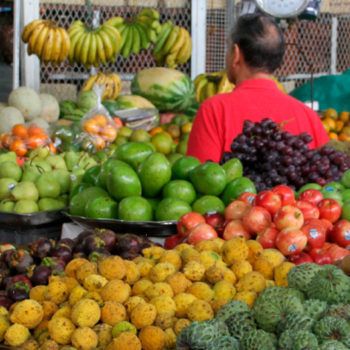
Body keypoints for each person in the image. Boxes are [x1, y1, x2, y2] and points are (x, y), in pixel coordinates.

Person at [186, 13, 329, 163]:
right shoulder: (310, 117)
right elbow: (328, 181)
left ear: (236, 54)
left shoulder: (213, 111)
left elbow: (201, 178)